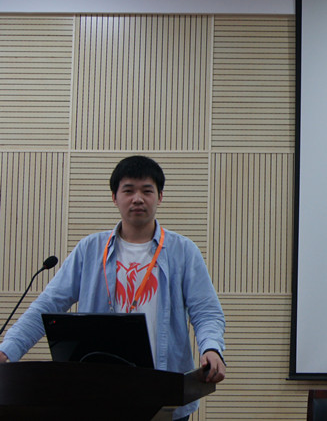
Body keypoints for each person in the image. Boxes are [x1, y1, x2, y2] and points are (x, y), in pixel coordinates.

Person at [0, 155, 226, 420]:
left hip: (164, 391)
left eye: (147, 191)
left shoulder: (183, 251)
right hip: (100, 390)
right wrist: (7, 350)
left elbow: (206, 311)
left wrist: (212, 348)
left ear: (160, 197)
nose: (137, 199)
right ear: (114, 197)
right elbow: (47, 305)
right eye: (128, 191)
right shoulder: (90, 249)